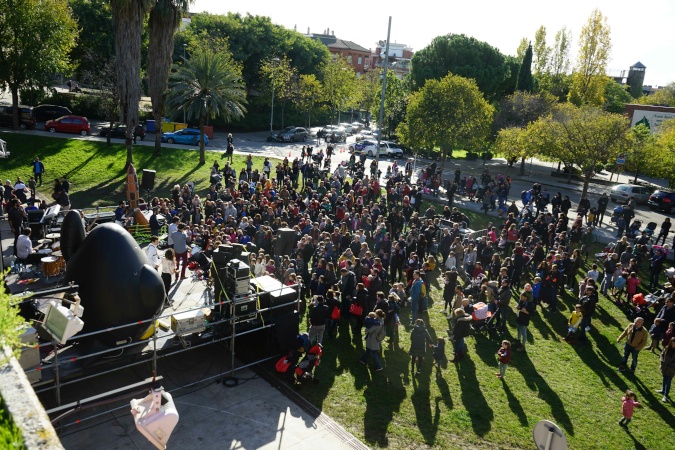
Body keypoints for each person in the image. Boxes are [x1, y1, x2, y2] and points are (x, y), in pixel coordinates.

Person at [657, 337, 675, 403]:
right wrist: (662, 361)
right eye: (672, 343)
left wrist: (672, 366)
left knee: (668, 381)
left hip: (671, 369)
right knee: (664, 379)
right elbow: (662, 354)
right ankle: (662, 390)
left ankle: (665, 396)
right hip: (664, 367)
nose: (673, 344)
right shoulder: (667, 348)